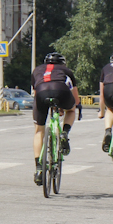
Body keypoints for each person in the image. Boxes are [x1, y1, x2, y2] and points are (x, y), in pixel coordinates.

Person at [30, 52, 80, 185]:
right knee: (72, 110)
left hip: (41, 93)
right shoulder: (66, 70)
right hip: (61, 91)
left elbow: (36, 93)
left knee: (39, 131)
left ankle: (39, 168)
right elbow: (75, 96)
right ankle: (64, 133)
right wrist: (76, 105)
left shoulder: (37, 70)